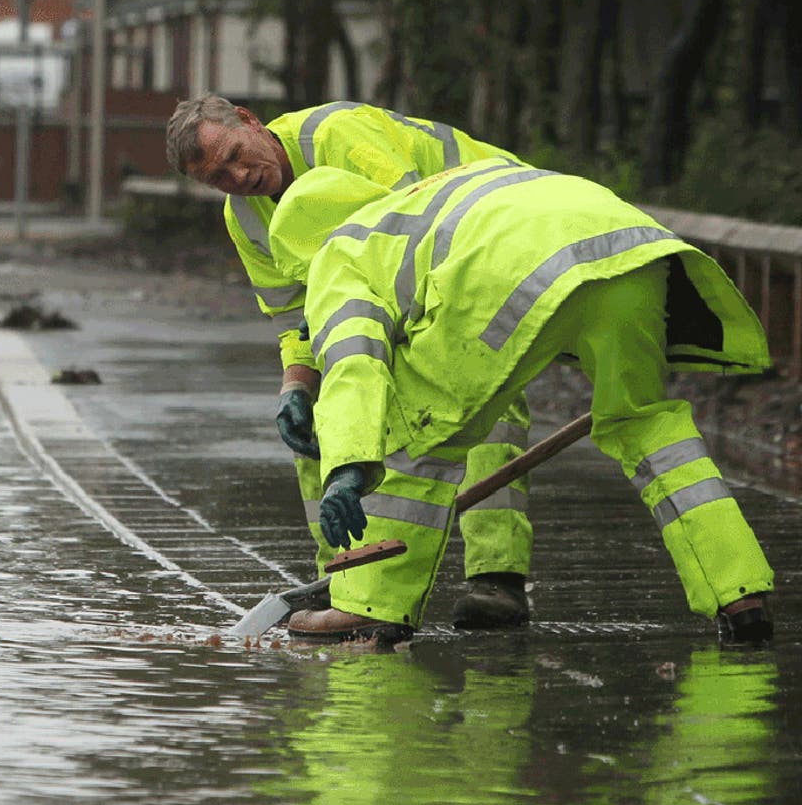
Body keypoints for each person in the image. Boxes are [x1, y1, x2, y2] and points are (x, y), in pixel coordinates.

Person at [266, 160, 775, 645]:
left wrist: (349, 467)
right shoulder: (427, 201)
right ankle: (738, 590)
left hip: (514, 273)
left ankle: (369, 608)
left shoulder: (341, 251)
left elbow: (357, 365)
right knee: (648, 428)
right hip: (631, 254)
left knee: (419, 432)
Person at [165, 95, 534, 629]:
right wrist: (296, 388)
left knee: (476, 391)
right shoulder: (244, 218)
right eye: (219, 177)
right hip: (388, 284)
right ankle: (347, 578)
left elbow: (415, 226)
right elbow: (293, 319)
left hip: (493, 236)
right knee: (323, 415)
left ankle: (497, 580)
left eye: (237, 155)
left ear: (250, 121)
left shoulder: (339, 136)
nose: (239, 176)